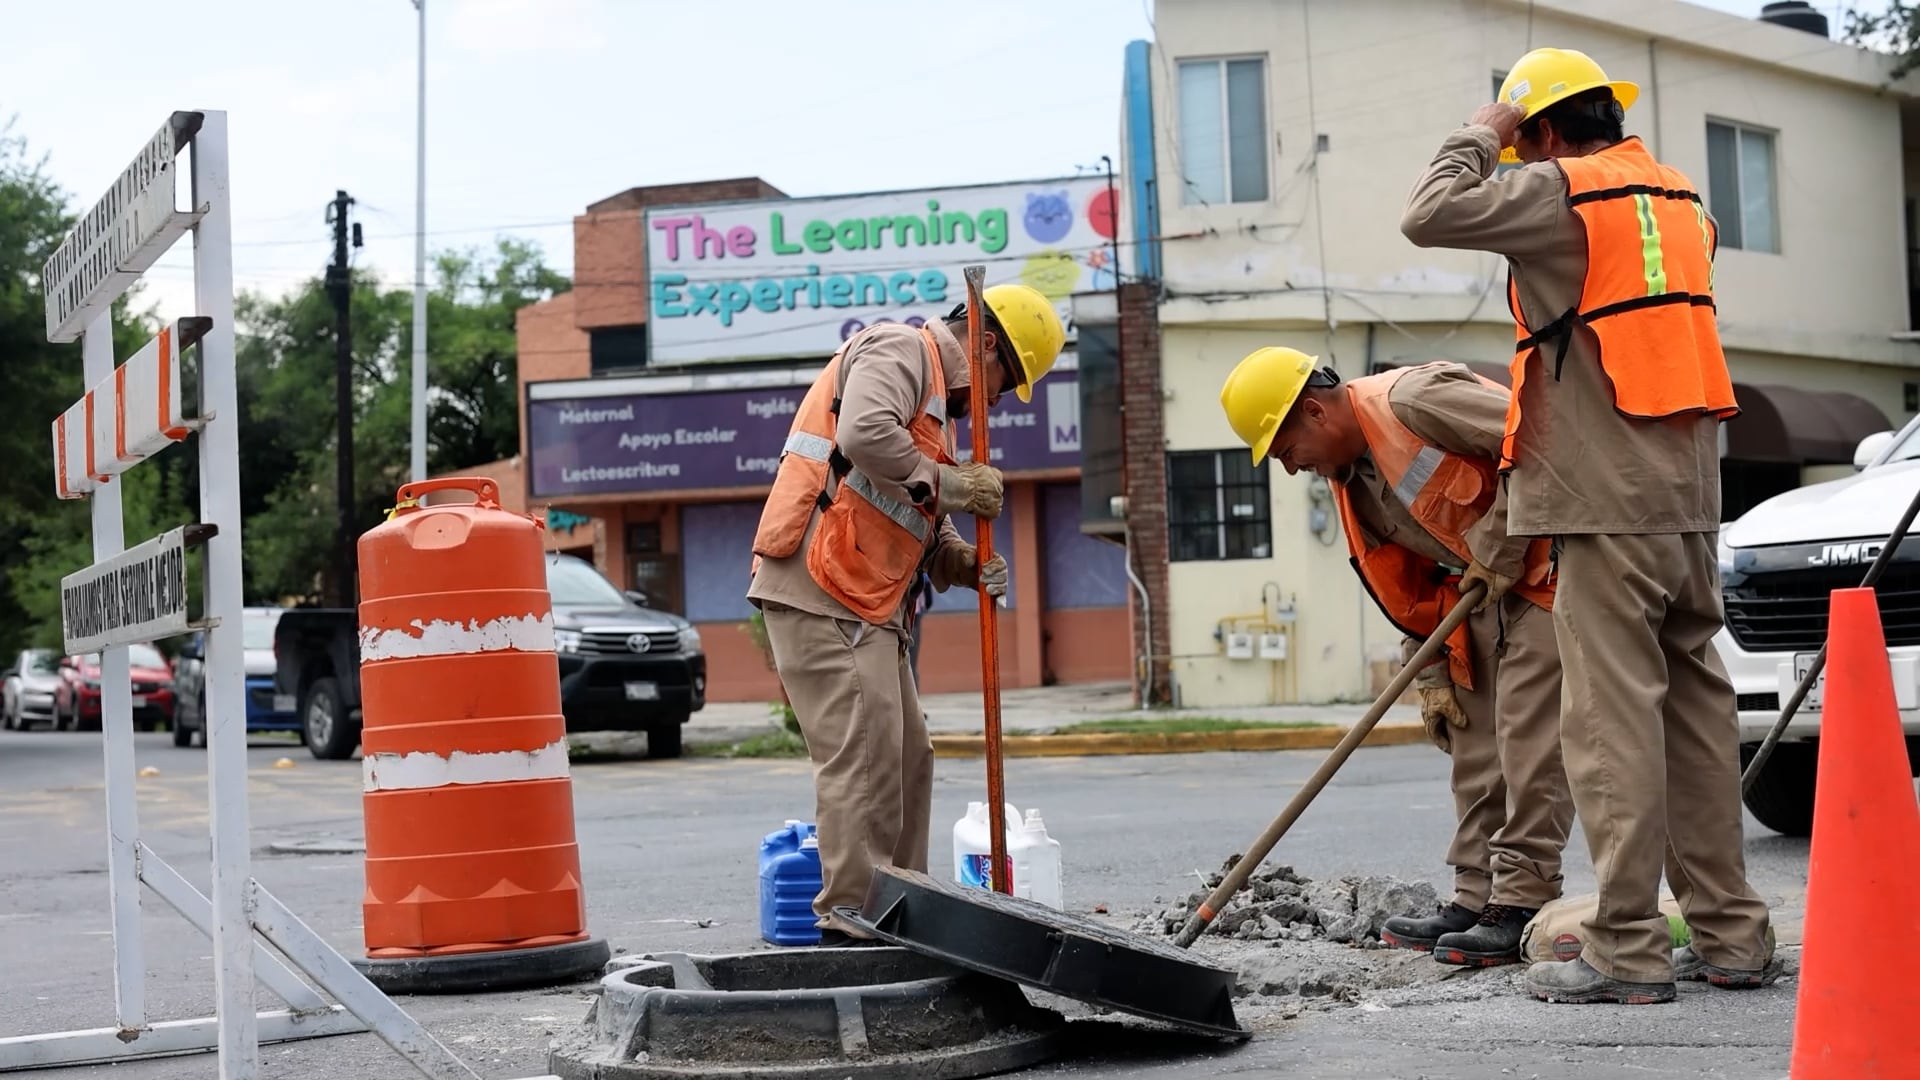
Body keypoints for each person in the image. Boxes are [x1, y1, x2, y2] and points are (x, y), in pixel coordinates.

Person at [1400, 47, 1775, 1003]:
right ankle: (1732, 934)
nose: (1517, 156)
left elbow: (1429, 213)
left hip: (1604, 502)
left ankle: (1626, 949)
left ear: (1544, 131)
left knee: (1610, 724)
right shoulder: (1682, 201)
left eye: (1522, 139)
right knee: (1696, 718)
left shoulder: (1559, 188)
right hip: (1687, 499)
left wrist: (1479, 133)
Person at [1220, 348, 1572, 967]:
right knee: (1474, 747)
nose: (1292, 469)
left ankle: (1521, 899)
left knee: (1528, 741)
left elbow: (1539, 441)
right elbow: (1404, 584)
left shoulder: (1414, 401)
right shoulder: (1350, 481)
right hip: (1477, 596)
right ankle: (1477, 897)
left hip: (1546, 572)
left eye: (1285, 451)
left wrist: (1498, 545)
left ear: (1314, 412)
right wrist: (1430, 671)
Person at [747, 283, 1065, 947]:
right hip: (820, 588)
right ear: (983, 345)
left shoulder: (934, 416)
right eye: (1006, 382)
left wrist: (964, 562)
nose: (997, 401)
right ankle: (853, 917)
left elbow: (918, 517)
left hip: (866, 600)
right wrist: (954, 484)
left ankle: (901, 906)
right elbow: (864, 434)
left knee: (908, 756)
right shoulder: (900, 350)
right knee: (866, 755)